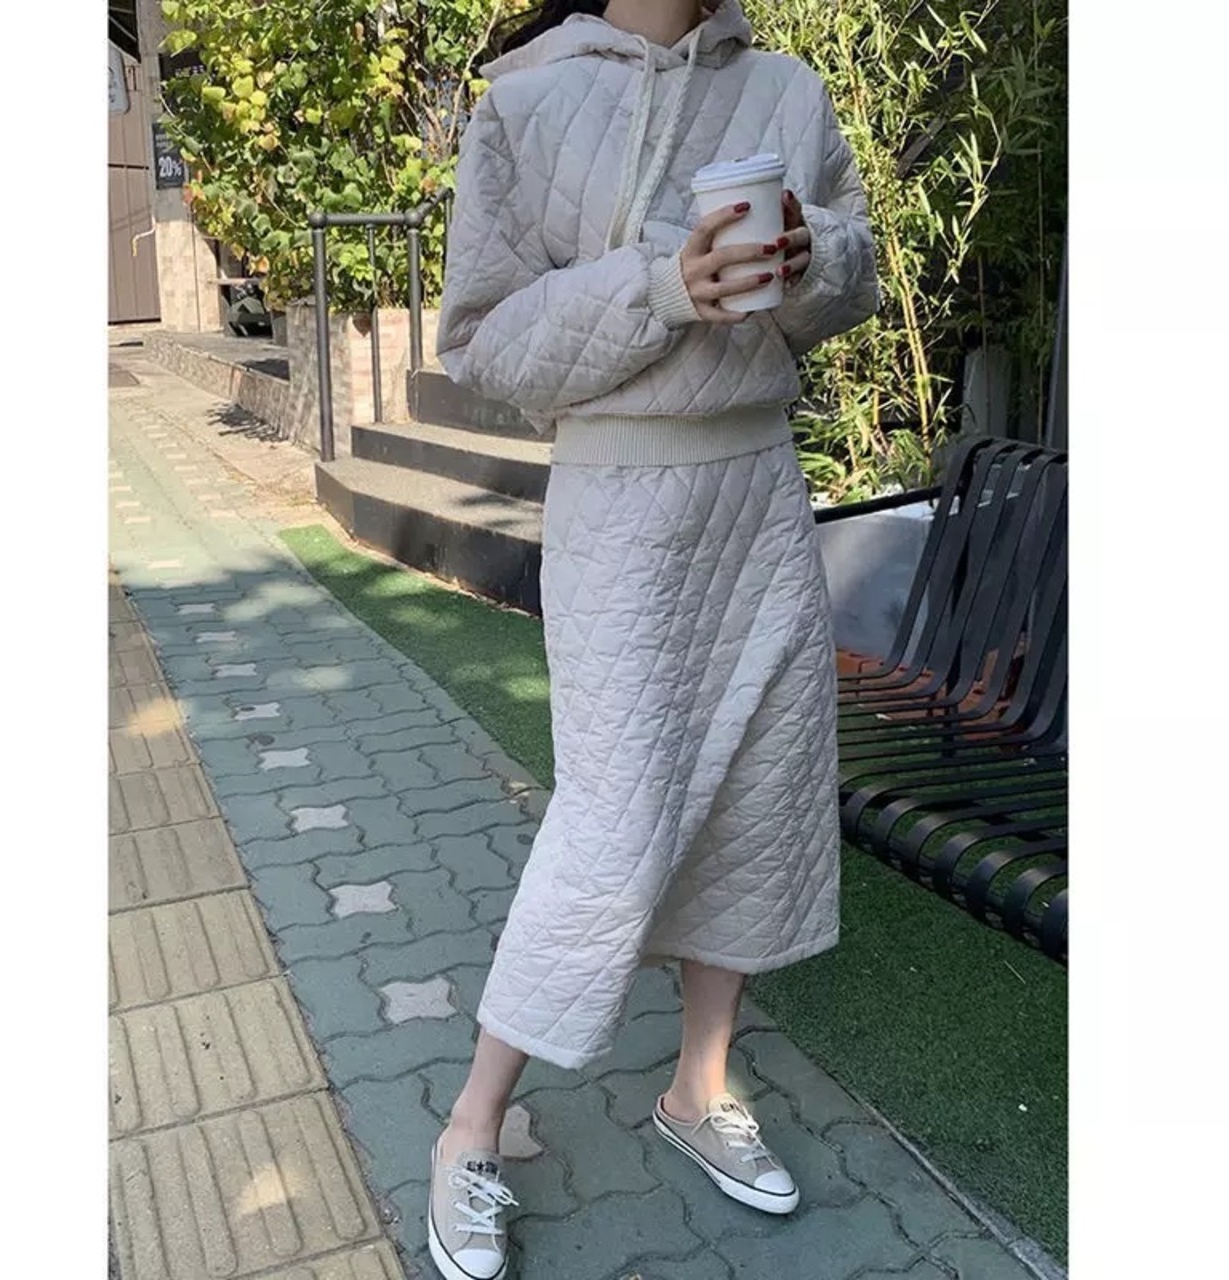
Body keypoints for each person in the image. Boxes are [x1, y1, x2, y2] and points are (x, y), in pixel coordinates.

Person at [430, 2, 878, 1276]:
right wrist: (660, 286)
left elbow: (852, 279)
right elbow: (483, 344)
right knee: (612, 817)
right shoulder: (521, 102)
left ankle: (698, 1086)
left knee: (758, 794)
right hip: (618, 500)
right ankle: (469, 1126)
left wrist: (809, 255)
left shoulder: (787, 87)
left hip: (757, 489)